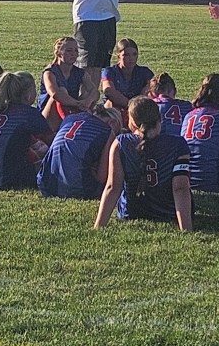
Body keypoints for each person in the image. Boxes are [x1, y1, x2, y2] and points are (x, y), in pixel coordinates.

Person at [95, 96, 193, 230]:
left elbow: (113, 187)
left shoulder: (121, 143)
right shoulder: (177, 145)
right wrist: (186, 228)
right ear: (160, 119)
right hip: (167, 212)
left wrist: (99, 226)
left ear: (132, 123)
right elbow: (180, 188)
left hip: (131, 212)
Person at [0, 72, 54, 190]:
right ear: (29, 94)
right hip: (5, 179)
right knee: (55, 162)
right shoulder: (27, 113)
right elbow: (54, 144)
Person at [37, 104, 123, 200]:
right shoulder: (108, 132)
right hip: (77, 188)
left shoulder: (70, 118)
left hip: (46, 182)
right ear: (112, 122)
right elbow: (101, 178)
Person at [38, 36, 95, 134]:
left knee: (87, 93)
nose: (73, 54)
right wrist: (77, 104)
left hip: (72, 109)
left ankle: (81, 123)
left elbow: (94, 91)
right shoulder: (50, 73)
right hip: (48, 115)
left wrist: (87, 101)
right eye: (69, 50)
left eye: (76, 51)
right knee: (61, 92)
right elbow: (55, 94)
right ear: (58, 52)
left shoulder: (80, 73)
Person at [100, 38, 154, 109]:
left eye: (134, 54)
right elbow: (108, 91)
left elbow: (151, 89)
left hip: (139, 109)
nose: (131, 58)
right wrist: (131, 105)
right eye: (126, 55)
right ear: (119, 56)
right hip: (115, 110)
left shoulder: (144, 72)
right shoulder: (110, 71)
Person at [148, 73, 192, 137]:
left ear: (150, 94)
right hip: (180, 143)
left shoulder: (148, 107)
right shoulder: (186, 106)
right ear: (174, 91)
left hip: (157, 143)